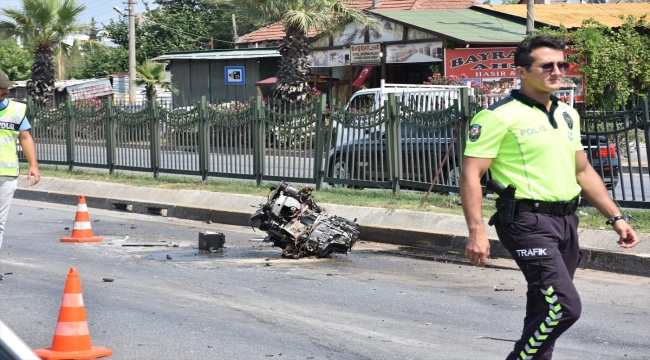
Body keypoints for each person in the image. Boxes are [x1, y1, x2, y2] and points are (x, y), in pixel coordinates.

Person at [459, 36, 638, 359]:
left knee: (544, 308)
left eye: (562, 64)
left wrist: (617, 217)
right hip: (526, 221)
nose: (557, 71)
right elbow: (471, 175)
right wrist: (476, 232)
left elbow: (583, 172)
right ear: (522, 72)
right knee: (563, 308)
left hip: (566, 222)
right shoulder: (498, 116)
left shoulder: (568, 114)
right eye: (547, 66)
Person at [0, 69, 40, 280]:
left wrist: (33, 164)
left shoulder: (16, 110)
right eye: (1, 88)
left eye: (6, 88)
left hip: (6, 175)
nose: (5, 91)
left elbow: (25, 137)